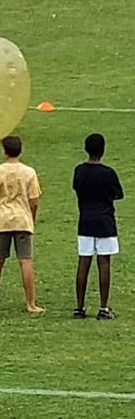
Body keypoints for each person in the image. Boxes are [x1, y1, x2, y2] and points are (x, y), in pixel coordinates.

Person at [0, 136, 43, 313]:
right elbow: (34, 200)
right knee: (25, 261)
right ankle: (31, 303)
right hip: (23, 219)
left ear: (4, 151)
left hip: (2, 219)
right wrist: (31, 217)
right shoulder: (29, 172)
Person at [73, 133, 122, 320]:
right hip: (105, 222)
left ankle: (79, 307)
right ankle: (103, 307)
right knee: (104, 263)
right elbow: (119, 194)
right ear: (103, 150)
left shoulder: (80, 171)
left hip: (85, 221)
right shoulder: (108, 173)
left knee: (83, 262)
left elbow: (76, 188)